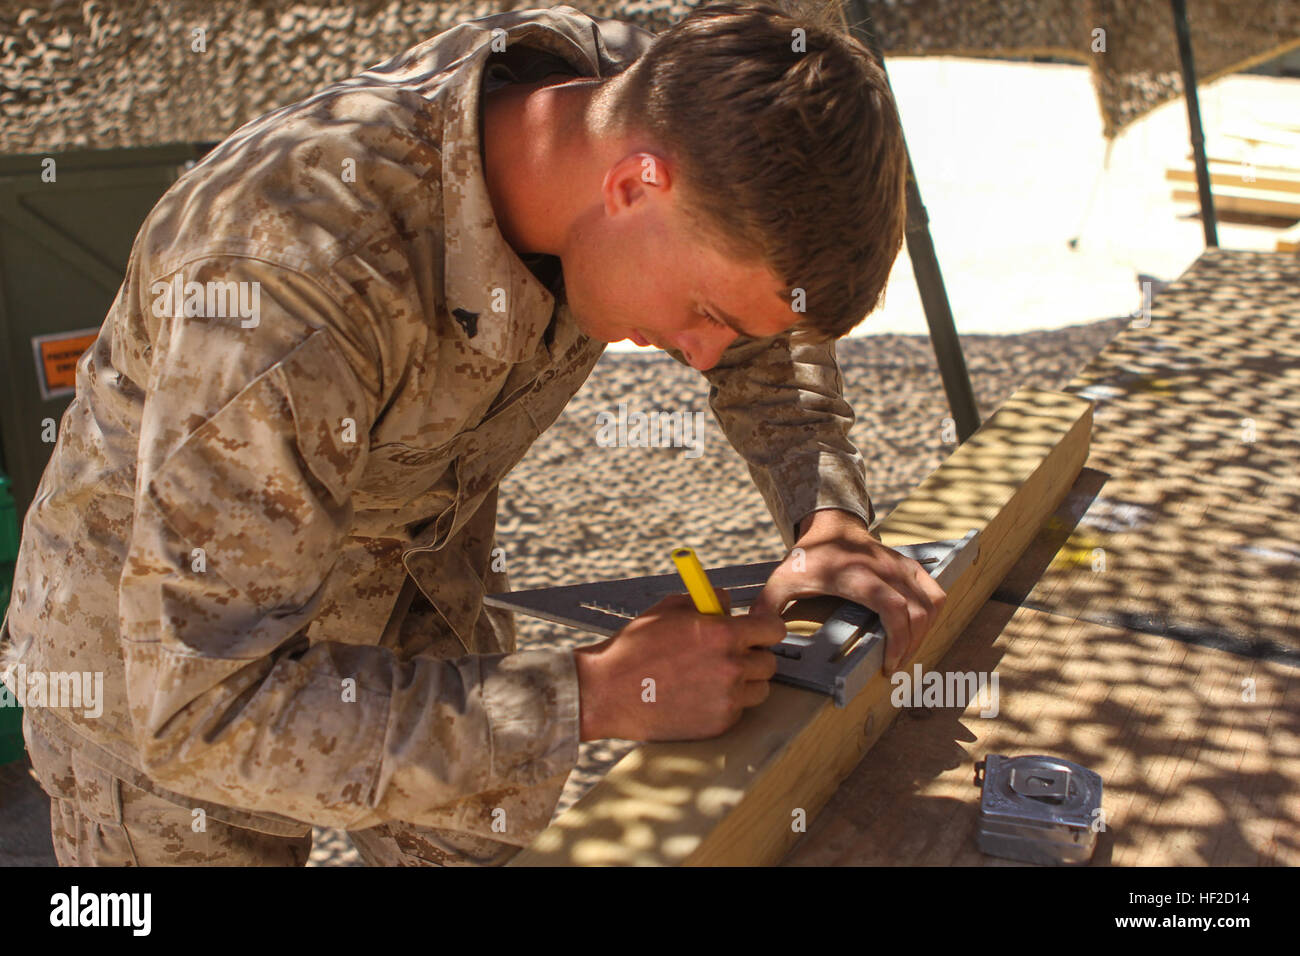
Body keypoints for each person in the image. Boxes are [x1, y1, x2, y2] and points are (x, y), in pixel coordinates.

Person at [0, 1, 943, 866]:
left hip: (415, 604)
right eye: (702, 312)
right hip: (166, 691)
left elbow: (761, 335)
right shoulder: (288, 279)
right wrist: (598, 692)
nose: (702, 357)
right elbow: (206, 708)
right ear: (634, 185)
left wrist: (827, 523)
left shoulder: (663, 106)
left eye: (726, 327)